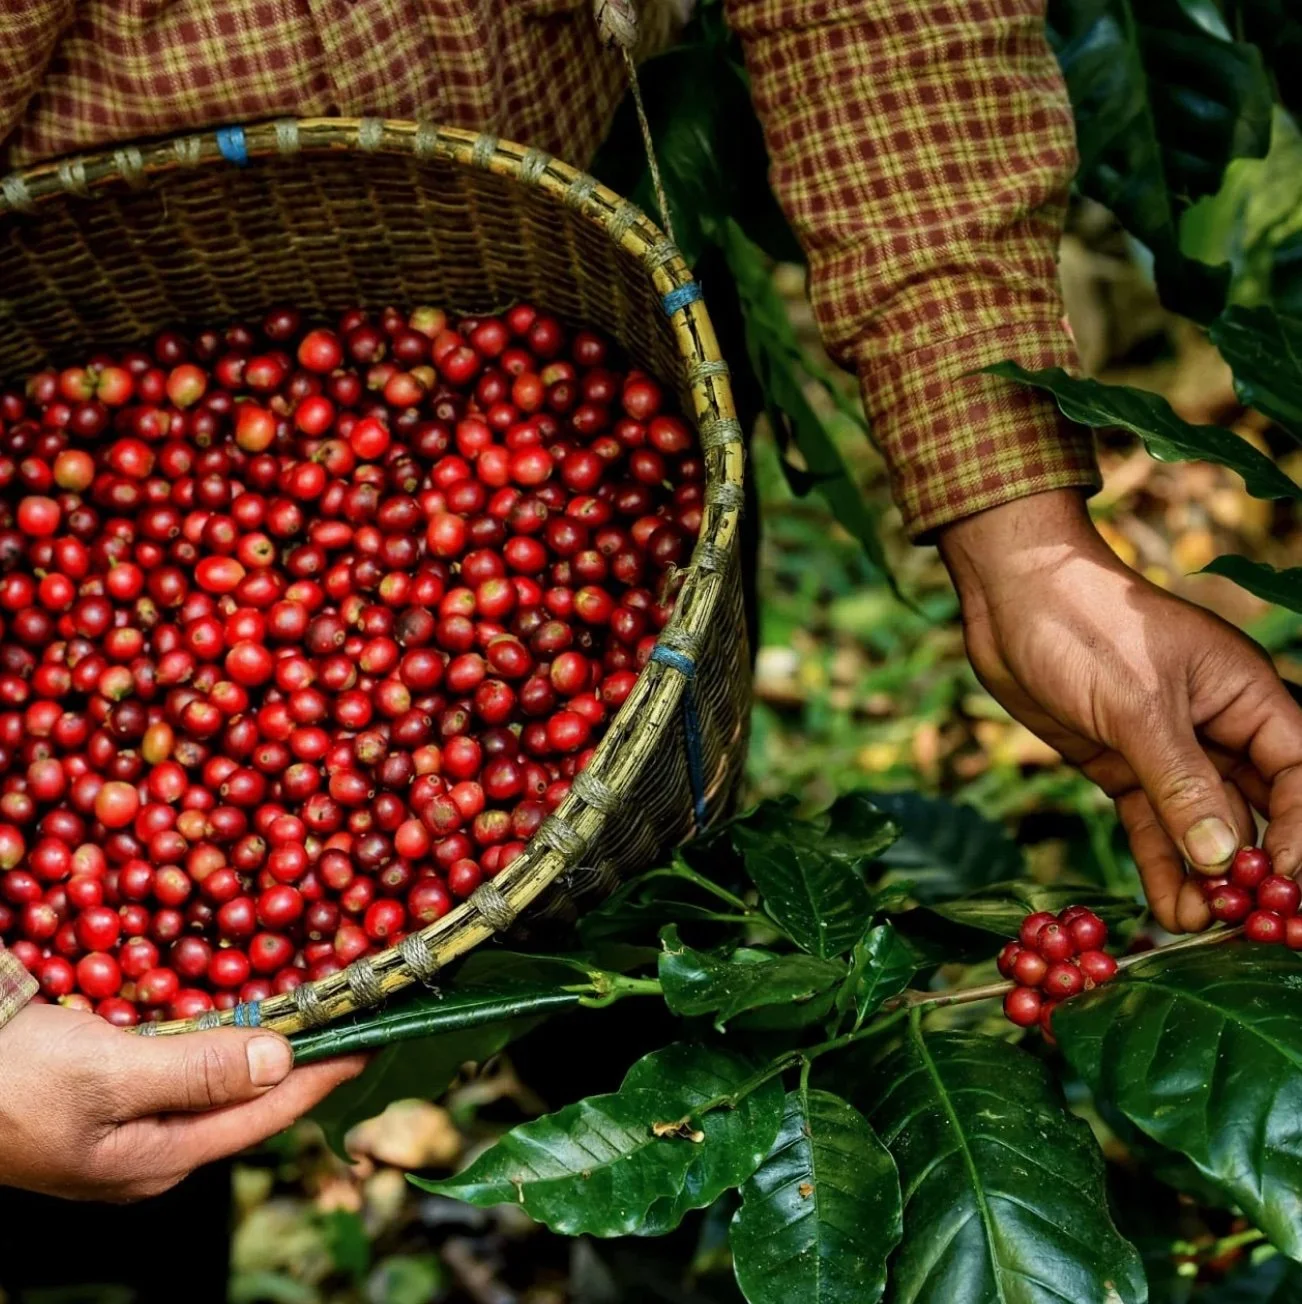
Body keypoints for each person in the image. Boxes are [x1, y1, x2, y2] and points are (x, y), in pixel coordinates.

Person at [1, 0, 1300, 1207]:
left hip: (555, 224)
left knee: (647, 899)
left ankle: (633, 1112)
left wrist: (1024, 542)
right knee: (97, 1139)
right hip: (74, 275)